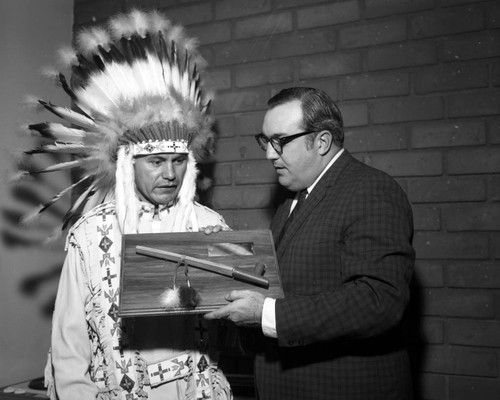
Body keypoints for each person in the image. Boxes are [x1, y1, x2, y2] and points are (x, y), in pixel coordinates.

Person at [18, 10, 232, 400]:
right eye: (155, 162)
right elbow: (70, 344)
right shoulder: (89, 235)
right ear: (126, 165)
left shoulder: (210, 226)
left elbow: (236, 324)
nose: (170, 174)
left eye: (179, 161)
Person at [205, 87, 415, 399]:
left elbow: (378, 299)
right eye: (265, 141)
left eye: (280, 141)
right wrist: (229, 258)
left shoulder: (371, 190)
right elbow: (292, 280)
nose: (269, 154)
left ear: (322, 141)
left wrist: (267, 314)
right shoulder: (293, 200)